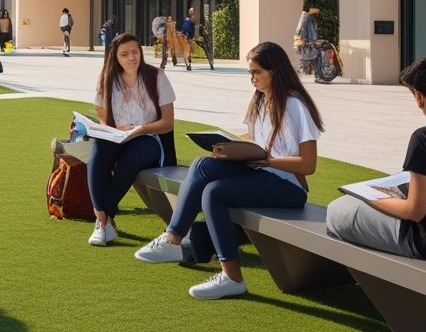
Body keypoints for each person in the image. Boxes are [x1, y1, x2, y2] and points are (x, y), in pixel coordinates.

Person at [134, 41, 324, 300]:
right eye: (249, 73)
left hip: (289, 186)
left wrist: (267, 161)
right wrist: (232, 148)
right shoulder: (260, 102)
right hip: (262, 172)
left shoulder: (295, 106)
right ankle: (177, 240)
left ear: (275, 71)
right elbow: (257, 142)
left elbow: (308, 165)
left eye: (256, 72)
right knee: (203, 166)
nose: (252, 78)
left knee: (214, 193)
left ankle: (225, 273)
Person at [325, 58, 426, 262]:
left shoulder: (425, 138)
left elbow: (415, 211)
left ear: (419, 97)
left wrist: (372, 198)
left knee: (338, 210)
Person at [87, 33, 176, 246]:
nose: (131, 58)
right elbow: (101, 111)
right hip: (119, 136)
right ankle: (103, 221)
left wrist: (139, 129)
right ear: (115, 57)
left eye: (135, 52)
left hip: (150, 138)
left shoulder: (156, 76)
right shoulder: (109, 78)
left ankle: (103, 219)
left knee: (130, 161)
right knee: (98, 148)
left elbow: (168, 123)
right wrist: (114, 130)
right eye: (125, 54)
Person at [294, 5, 319, 73]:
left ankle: (306, 70)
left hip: (302, 39)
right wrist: (312, 39)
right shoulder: (306, 17)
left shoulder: (305, 16)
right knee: (308, 54)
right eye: (316, 9)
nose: (317, 11)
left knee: (304, 55)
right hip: (305, 39)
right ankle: (306, 70)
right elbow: (308, 29)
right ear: (311, 9)